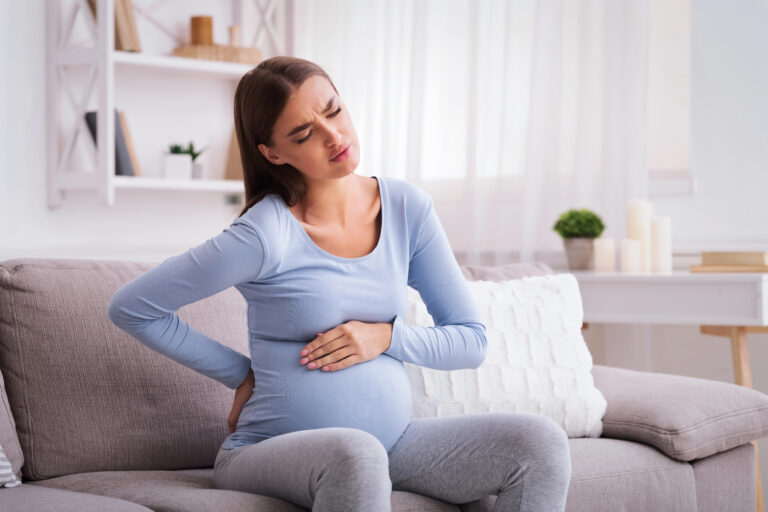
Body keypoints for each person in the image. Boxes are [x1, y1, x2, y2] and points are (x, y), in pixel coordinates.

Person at [107, 56, 571, 512]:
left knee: (538, 444)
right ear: (272, 153)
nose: (335, 136)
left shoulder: (407, 208)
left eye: (333, 110)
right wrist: (242, 372)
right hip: (270, 449)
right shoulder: (264, 234)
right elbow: (133, 307)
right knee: (356, 453)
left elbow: (471, 342)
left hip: (393, 444)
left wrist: (386, 337)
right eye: (304, 134)